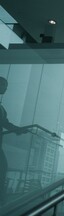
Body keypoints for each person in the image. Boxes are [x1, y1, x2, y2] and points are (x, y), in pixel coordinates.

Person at [0, 77, 26, 205]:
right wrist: (17, 129)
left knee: (3, 168)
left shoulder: (1, 108)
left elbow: (5, 123)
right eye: (4, 85)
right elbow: (5, 123)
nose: (6, 88)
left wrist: (18, 130)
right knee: (2, 167)